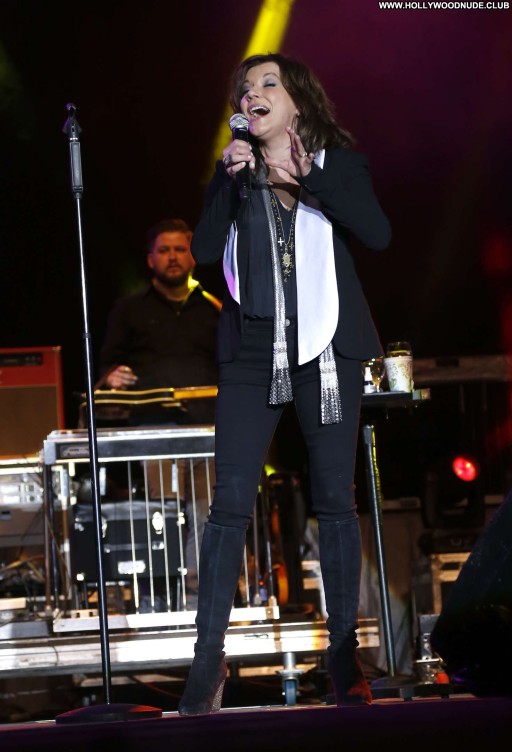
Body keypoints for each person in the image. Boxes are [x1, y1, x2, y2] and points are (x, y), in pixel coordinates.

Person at [177, 53, 391, 715]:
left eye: (268, 83)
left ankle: (342, 656)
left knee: (334, 501)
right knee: (228, 504)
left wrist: (309, 177)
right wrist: (225, 182)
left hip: (328, 349)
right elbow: (205, 253)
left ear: (297, 100)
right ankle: (207, 661)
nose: (254, 93)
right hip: (252, 352)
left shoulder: (337, 165)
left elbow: (377, 234)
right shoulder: (234, 174)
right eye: (245, 88)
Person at [98, 218, 221, 608]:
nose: (173, 257)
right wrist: (110, 375)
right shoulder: (130, 309)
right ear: (150, 259)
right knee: (164, 515)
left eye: (180, 249)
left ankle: (203, 600)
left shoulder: (214, 308)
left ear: (192, 256)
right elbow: (106, 364)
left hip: (209, 430)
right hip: (156, 432)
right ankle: (163, 598)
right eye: (164, 250)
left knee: (209, 514)